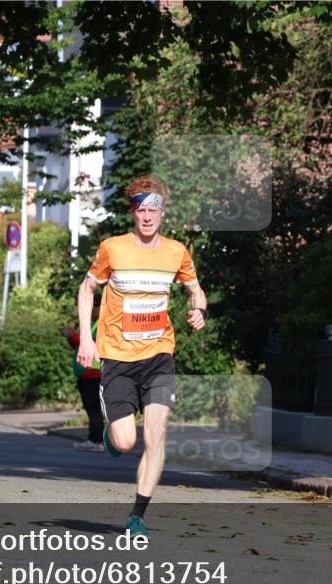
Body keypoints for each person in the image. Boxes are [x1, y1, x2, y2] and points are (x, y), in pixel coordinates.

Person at [76, 175, 207, 537]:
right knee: (125, 442)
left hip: (159, 355)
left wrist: (199, 310)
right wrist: (87, 338)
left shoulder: (177, 252)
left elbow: (196, 291)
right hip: (117, 357)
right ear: (133, 212)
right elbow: (87, 289)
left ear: (163, 212)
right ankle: (111, 435)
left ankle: (137, 516)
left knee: (156, 435)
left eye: (153, 209)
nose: (147, 216)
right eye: (141, 210)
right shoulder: (113, 249)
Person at [60, 292, 105, 453]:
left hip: (94, 373)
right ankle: (96, 439)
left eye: (94, 306)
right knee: (91, 408)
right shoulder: (91, 324)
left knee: (93, 408)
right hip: (87, 373)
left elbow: (90, 342)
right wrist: (72, 337)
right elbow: (80, 346)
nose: (91, 309)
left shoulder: (102, 323)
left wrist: (73, 335)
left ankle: (96, 440)